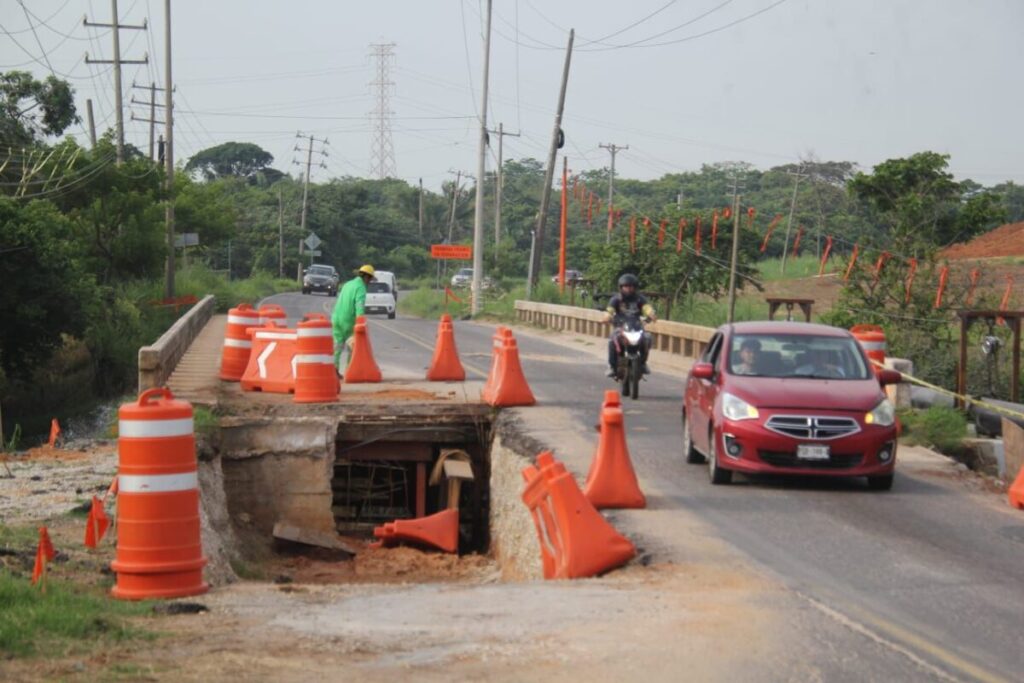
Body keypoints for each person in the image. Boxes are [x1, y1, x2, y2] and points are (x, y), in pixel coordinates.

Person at [604, 273, 657, 378]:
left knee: (647, 338)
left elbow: (647, 308)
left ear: (635, 287)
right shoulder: (616, 299)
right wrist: (607, 317)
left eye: (631, 286)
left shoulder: (639, 299)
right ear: (621, 287)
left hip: (636, 327)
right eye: (626, 286)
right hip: (620, 327)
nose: (628, 289)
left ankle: (643, 363)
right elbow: (609, 310)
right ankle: (612, 366)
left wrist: (651, 314)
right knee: (612, 341)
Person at [332, 264, 375, 375]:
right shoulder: (361, 288)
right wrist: (361, 322)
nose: (369, 282)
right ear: (367, 277)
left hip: (336, 318)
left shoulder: (348, 284)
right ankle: (350, 370)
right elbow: (359, 306)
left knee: (337, 345)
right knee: (353, 346)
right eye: (370, 279)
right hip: (348, 321)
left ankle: (334, 369)